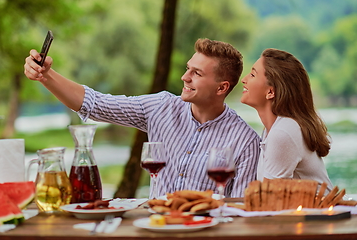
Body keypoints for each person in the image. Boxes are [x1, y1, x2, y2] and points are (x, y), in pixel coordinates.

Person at [24, 38, 261, 198]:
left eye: (196, 73)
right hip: (154, 228)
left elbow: (237, 209)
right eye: (188, 68)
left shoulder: (244, 141)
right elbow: (96, 104)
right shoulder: (161, 107)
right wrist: (46, 76)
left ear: (222, 88)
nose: (184, 77)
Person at [240, 48, 333, 190]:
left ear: (270, 92)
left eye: (252, 75)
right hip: (306, 211)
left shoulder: (283, 132)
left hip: (317, 212)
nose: (243, 79)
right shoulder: (274, 129)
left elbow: (269, 199)